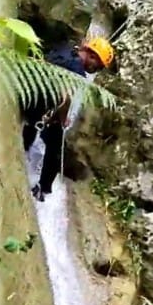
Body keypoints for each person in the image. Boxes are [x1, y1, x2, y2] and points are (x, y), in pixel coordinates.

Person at [22, 34, 115, 202]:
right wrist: (63, 118)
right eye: (99, 66)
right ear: (92, 56)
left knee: (33, 132)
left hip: (30, 95)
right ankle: (42, 190)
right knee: (55, 147)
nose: (97, 70)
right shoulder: (77, 71)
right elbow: (65, 97)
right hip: (42, 107)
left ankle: (24, 151)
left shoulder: (66, 48)